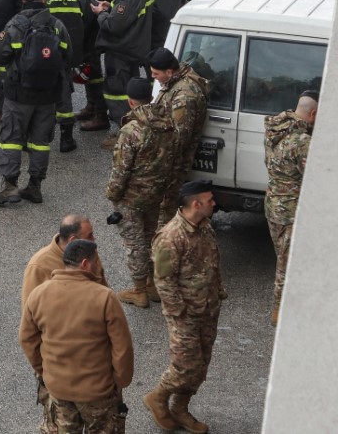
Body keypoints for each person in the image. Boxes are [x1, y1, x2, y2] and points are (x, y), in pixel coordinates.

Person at [20, 240, 133, 434]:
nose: (98, 265)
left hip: (58, 389)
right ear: (85, 264)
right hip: (98, 391)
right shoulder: (104, 297)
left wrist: (46, 370)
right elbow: (121, 347)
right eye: (96, 261)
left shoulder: (38, 295)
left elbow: (27, 339)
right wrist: (120, 381)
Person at [146, 179, 225, 434]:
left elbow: (212, 262)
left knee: (201, 365)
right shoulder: (170, 237)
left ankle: (180, 408)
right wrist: (180, 313)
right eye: (210, 200)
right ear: (196, 203)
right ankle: (158, 397)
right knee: (185, 366)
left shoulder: (204, 226)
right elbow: (163, 280)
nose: (214, 204)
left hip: (208, 309)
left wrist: (218, 291)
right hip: (185, 314)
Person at [0, 0, 71, 207]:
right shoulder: (56, 25)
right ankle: (35, 185)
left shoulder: (15, 24)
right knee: (41, 142)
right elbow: (67, 54)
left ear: (23, 1)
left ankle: (10, 186)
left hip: (18, 93)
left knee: (11, 140)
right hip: (48, 94)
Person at [106, 77, 178, 310]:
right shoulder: (167, 123)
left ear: (130, 102)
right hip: (156, 192)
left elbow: (121, 169)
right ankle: (152, 285)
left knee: (135, 242)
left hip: (132, 196)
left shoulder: (131, 130)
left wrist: (113, 194)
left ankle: (138, 291)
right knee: (150, 237)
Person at [263, 90, 318, 325]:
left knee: (283, 257)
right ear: (314, 113)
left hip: (273, 203)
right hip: (290, 210)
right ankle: (280, 312)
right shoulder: (303, 142)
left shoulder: (275, 129)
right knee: (288, 264)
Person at [91, 0, 152, 138]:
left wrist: (101, 13)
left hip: (121, 50)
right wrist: (112, 6)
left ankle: (123, 134)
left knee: (116, 91)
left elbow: (113, 26)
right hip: (133, 48)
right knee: (129, 90)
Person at [151, 48, 210, 222]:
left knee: (165, 211)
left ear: (169, 72)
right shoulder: (177, 79)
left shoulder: (184, 96)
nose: (153, 77)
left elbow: (178, 139)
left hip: (173, 164)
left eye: (156, 74)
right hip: (170, 161)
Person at [41, 0, 90, 153]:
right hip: (69, 55)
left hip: (44, 55)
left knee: (43, 94)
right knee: (64, 96)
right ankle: (66, 139)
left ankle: (43, 135)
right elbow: (86, 20)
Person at [75, 0, 111, 132]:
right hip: (98, 31)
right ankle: (91, 106)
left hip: (92, 34)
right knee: (90, 70)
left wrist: (81, 33)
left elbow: (90, 11)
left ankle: (100, 114)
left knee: (93, 72)